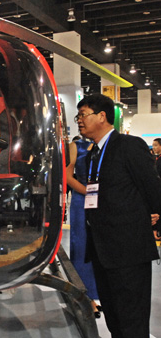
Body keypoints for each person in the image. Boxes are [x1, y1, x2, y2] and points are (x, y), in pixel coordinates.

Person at [76, 93, 161, 338]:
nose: (79, 121)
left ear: (102, 116)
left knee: (131, 320)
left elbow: (152, 187)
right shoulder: (93, 152)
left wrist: (155, 217)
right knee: (114, 318)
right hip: (103, 250)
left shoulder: (128, 146)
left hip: (129, 249)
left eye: (83, 115)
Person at [66, 135, 101, 318]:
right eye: (78, 116)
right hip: (82, 200)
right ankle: (83, 297)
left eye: (84, 115)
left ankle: (96, 294)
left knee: (100, 248)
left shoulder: (108, 145)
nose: (80, 120)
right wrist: (89, 192)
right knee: (81, 247)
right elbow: (67, 176)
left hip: (104, 201)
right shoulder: (76, 146)